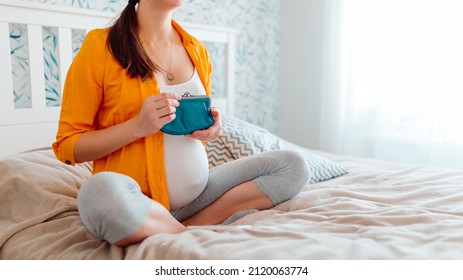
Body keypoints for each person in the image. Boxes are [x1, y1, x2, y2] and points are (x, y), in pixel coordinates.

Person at [53, 0, 310, 247]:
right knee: (97, 194)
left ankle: (185, 227)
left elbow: (195, 117)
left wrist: (212, 127)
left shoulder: (196, 48)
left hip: (199, 196)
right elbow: (69, 145)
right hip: (137, 200)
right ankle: (168, 225)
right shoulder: (101, 46)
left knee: (293, 165)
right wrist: (138, 126)